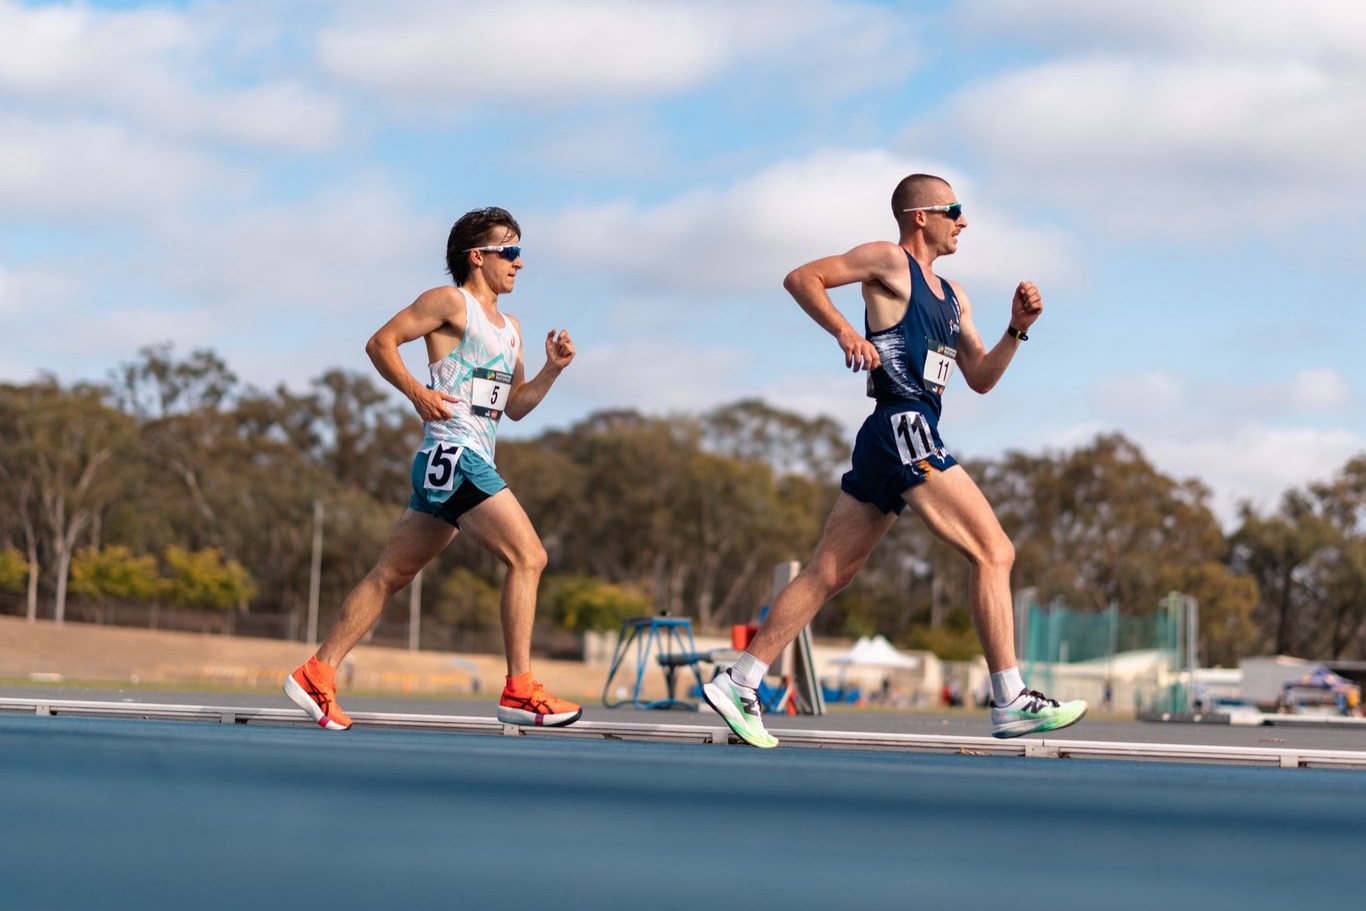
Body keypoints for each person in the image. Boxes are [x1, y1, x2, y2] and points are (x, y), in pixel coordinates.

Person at [702, 174, 1087, 748]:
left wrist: (1016, 331)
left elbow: (979, 377)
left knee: (831, 573)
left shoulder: (955, 297)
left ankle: (741, 679)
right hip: (901, 422)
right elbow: (802, 278)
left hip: (900, 431)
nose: (963, 221)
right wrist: (844, 334)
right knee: (995, 550)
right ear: (919, 216)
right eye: (953, 209)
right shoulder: (887, 260)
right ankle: (1010, 698)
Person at [284, 206, 582, 731]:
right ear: (478, 257)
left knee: (390, 576)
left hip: (459, 462)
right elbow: (380, 343)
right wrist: (416, 391)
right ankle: (519, 688)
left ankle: (316, 672)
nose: (518, 262)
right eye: (509, 251)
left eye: (520, 252)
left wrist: (551, 371)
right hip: (454, 453)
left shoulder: (510, 328)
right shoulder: (450, 303)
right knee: (530, 557)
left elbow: (514, 405)